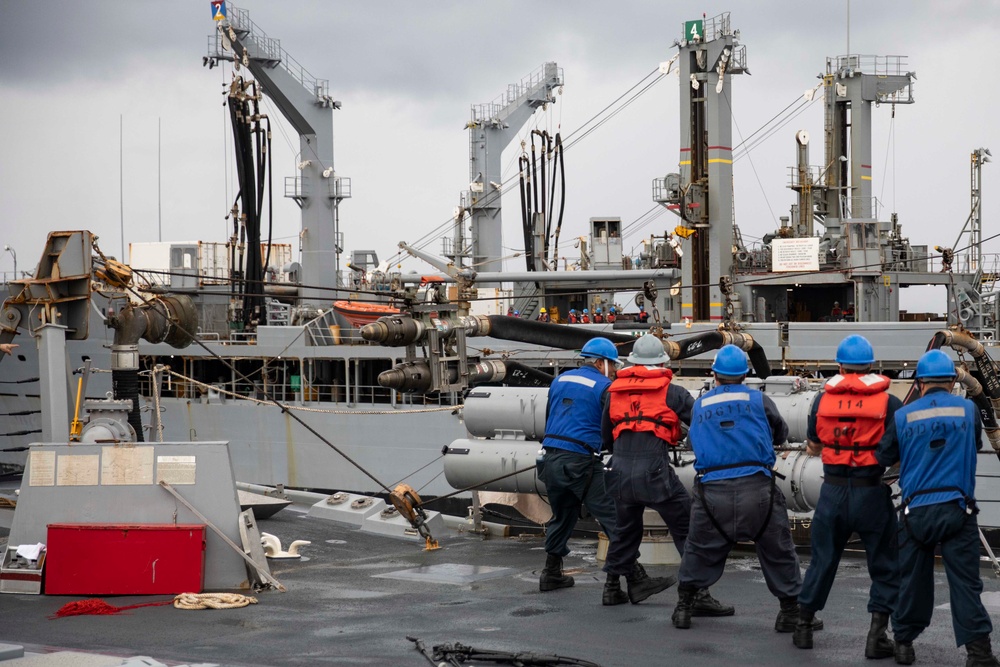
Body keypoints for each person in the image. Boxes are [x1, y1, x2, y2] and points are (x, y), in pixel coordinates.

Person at [673, 345, 816, 635]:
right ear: (745, 375)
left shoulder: (700, 404)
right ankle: (790, 612)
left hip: (713, 493)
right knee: (778, 550)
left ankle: (684, 608)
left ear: (714, 374)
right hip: (757, 491)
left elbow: (692, 444)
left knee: (698, 549)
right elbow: (781, 432)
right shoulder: (759, 400)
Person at [877, 350, 999, 666]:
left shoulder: (903, 416)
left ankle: (903, 644)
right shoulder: (968, 410)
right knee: (966, 585)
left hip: (915, 510)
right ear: (950, 381)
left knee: (912, 581)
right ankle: (979, 653)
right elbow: (974, 444)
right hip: (958, 510)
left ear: (919, 383)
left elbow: (885, 455)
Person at [601, 334, 732, 614]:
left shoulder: (614, 391)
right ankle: (697, 593)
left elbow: (605, 436)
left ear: (632, 362)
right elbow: (702, 424)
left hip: (620, 468)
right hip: (654, 470)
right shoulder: (672, 392)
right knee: (686, 527)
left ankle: (612, 587)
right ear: (662, 361)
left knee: (625, 529)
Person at [794, 334, 900, 658]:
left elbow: (813, 446)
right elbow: (896, 452)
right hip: (871, 492)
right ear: (872, 365)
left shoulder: (820, 401)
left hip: (832, 492)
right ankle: (877, 635)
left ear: (839, 365)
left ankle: (803, 625)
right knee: (884, 564)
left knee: (823, 560)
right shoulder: (889, 402)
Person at [537, 337, 622, 597]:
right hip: (581, 462)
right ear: (600, 363)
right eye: (613, 365)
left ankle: (551, 573)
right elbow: (610, 429)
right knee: (613, 519)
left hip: (549, 459)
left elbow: (550, 416)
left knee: (562, 516)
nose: (616, 370)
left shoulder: (559, 380)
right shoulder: (606, 387)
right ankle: (621, 583)